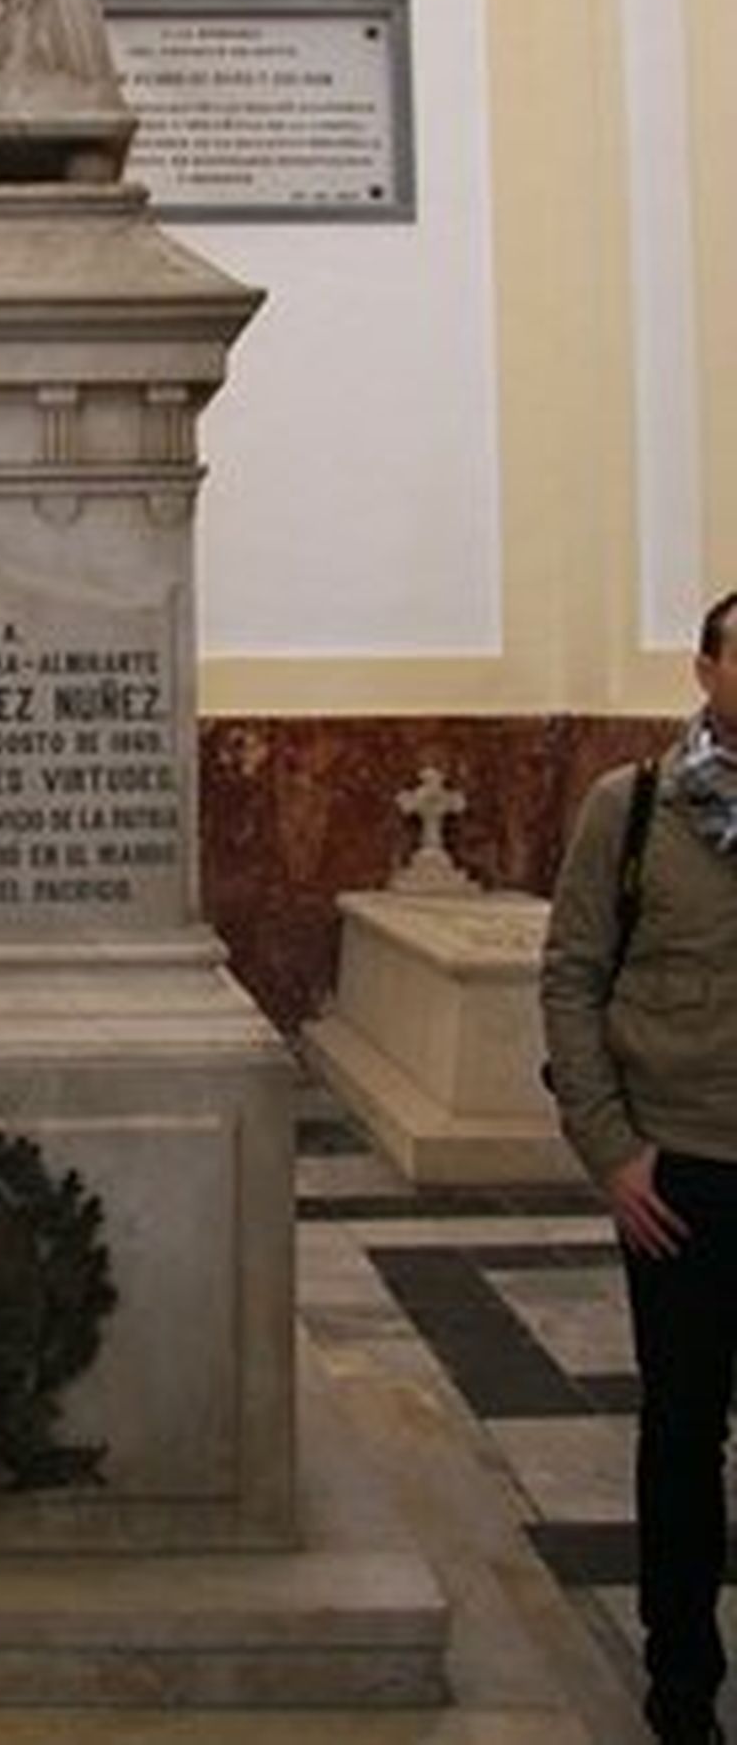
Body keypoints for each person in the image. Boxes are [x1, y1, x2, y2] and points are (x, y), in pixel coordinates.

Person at [542, 589, 737, 1745]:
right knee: (681, 1434)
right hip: (681, 1175)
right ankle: (681, 1689)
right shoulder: (635, 809)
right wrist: (611, 1154)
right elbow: (571, 979)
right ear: (703, 670)